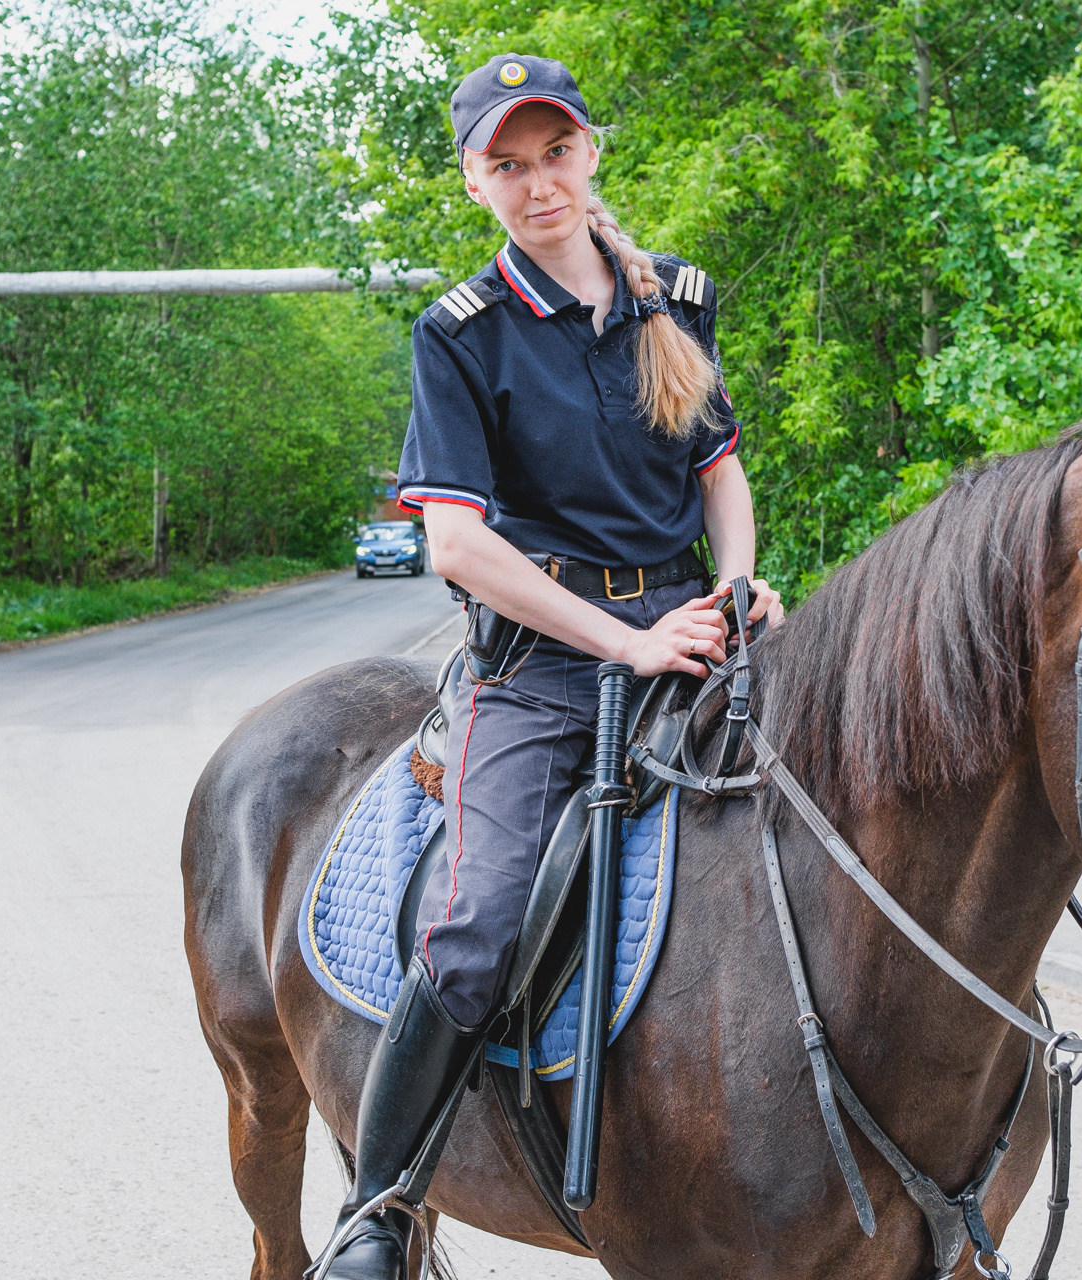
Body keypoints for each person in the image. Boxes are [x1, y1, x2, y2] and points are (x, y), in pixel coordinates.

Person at [315, 52, 782, 1280]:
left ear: (591, 153)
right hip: (544, 671)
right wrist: (625, 637)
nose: (538, 185)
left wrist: (734, 580)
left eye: (555, 153)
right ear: (475, 181)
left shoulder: (675, 295)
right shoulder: (459, 334)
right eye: (507, 166)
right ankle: (379, 1206)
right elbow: (458, 545)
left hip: (695, 635)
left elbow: (717, 475)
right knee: (475, 926)